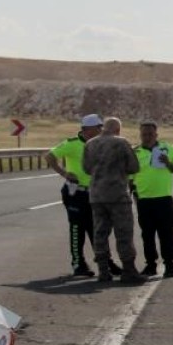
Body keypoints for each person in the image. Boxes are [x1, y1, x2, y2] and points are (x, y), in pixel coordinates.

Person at [46, 114, 117, 278]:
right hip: (76, 193)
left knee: (97, 229)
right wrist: (64, 173)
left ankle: (106, 262)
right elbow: (50, 156)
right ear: (87, 129)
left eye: (101, 127)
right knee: (77, 228)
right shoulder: (72, 144)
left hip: (95, 192)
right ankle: (78, 264)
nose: (101, 130)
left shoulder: (100, 144)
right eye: (98, 127)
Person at [82, 117, 144, 283]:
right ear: (118, 129)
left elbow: (86, 169)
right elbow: (134, 167)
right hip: (117, 194)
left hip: (96, 194)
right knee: (123, 232)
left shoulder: (90, 144)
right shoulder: (121, 142)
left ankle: (103, 271)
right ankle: (128, 269)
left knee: (100, 233)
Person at [131, 121, 173, 278]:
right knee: (147, 235)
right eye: (144, 134)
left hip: (163, 199)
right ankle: (150, 265)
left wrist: (168, 163)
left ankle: (170, 265)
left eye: (150, 134)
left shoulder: (166, 148)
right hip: (144, 201)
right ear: (140, 135)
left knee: (166, 233)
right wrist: (134, 195)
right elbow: (130, 178)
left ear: (156, 135)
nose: (147, 137)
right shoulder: (135, 152)